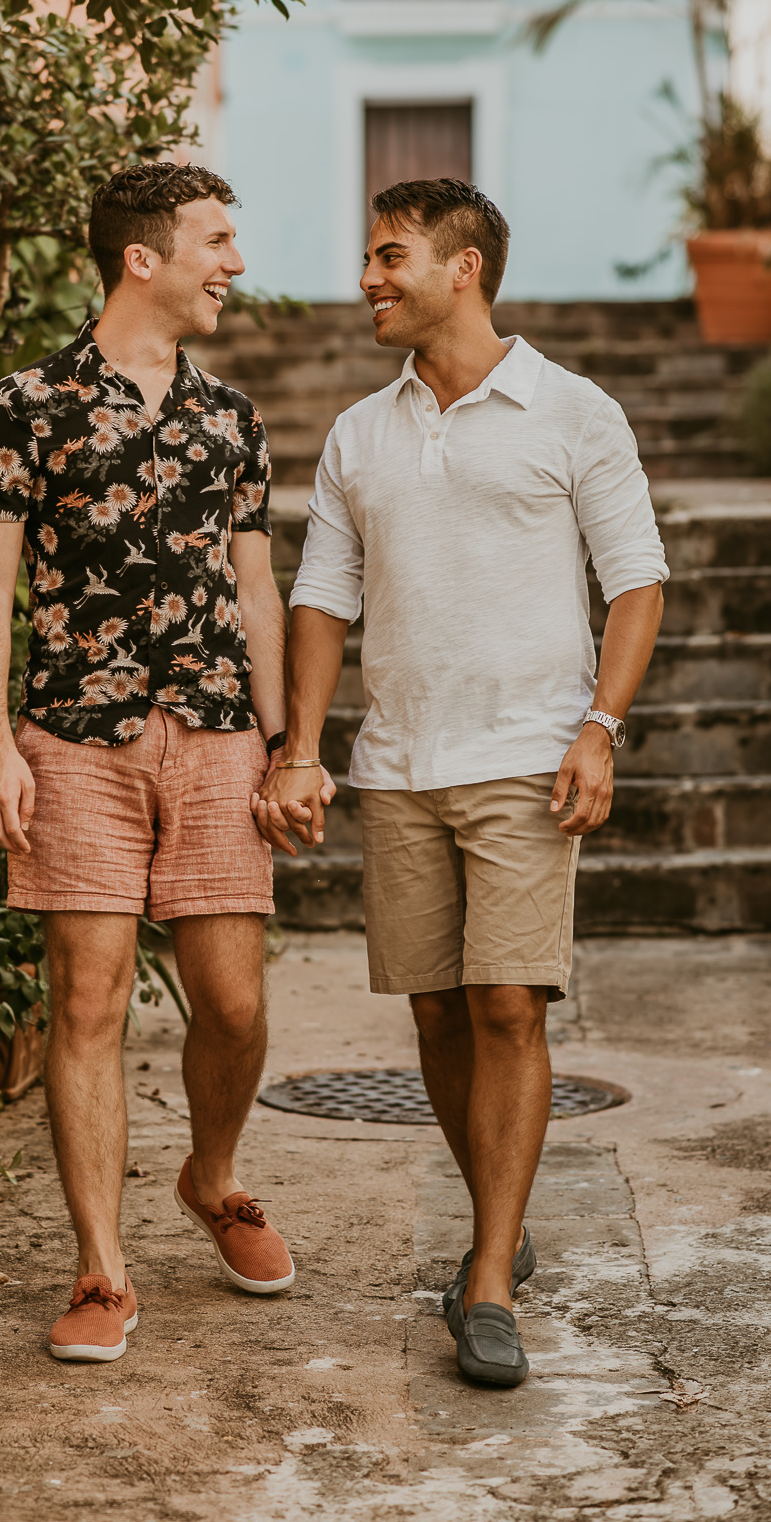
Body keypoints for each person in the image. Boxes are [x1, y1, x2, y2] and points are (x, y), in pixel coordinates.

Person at [254, 179, 666, 1388]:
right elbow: (320, 598)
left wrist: (599, 727)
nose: (368, 280)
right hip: (398, 765)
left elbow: (633, 581)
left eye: (389, 257)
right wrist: (299, 748)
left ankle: (483, 1277)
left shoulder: (572, 411)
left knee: (506, 1007)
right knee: (433, 1012)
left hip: (527, 759)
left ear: (462, 268)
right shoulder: (356, 433)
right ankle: (503, 1212)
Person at [0, 162, 296, 1364]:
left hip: (213, 739)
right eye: (216, 239)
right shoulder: (27, 403)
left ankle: (209, 1179)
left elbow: (258, 594)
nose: (234, 263)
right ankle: (101, 1270)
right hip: (72, 738)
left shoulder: (229, 417)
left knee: (235, 1005)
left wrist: (290, 746)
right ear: (140, 257)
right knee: (87, 1000)